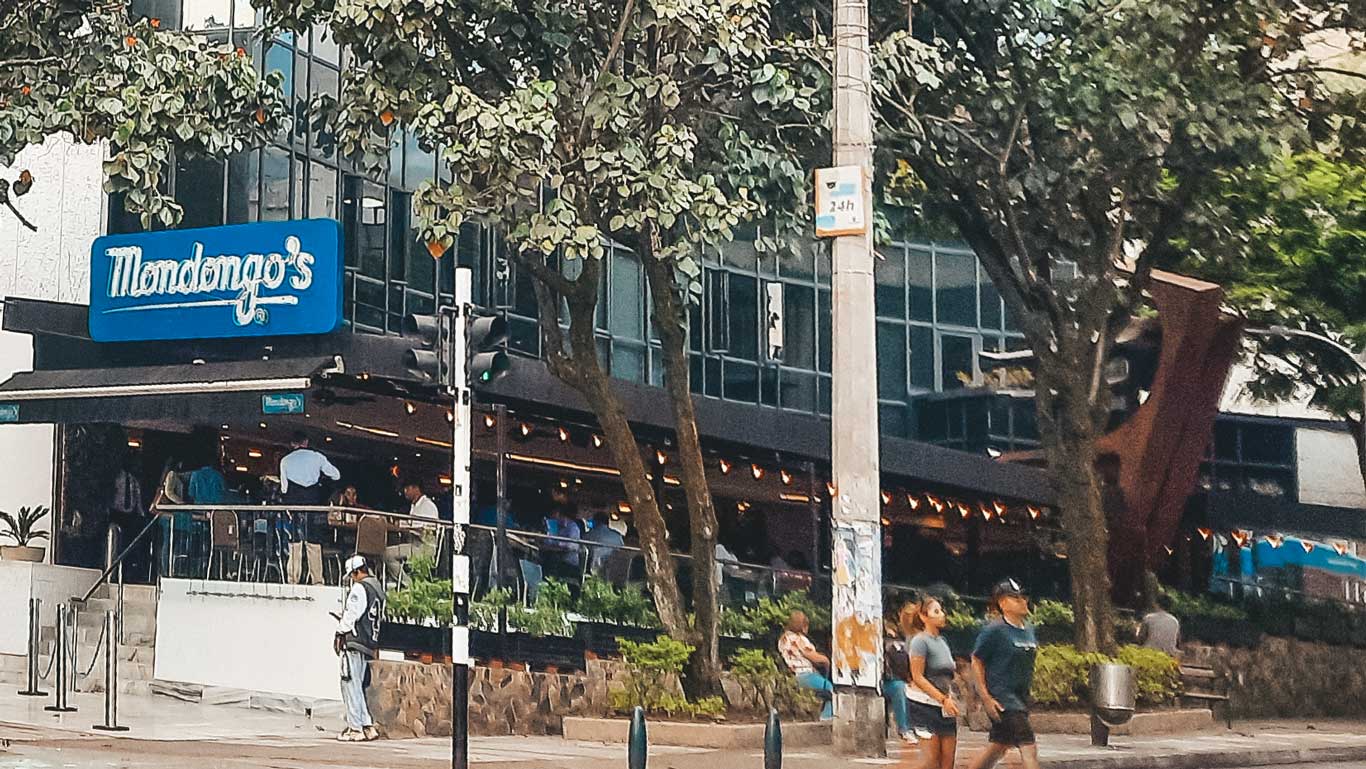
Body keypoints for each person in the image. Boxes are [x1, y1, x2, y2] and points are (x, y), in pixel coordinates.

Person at [966, 578, 1040, 769]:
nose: (1023, 601)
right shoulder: (995, 631)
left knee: (999, 746)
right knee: (1028, 746)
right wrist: (985, 696)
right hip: (1003, 699)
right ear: (1003, 603)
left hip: (1021, 696)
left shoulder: (1029, 629)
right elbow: (977, 660)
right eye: (1016, 598)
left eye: (1023, 597)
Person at [335, 555, 385, 742]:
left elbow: (352, 614)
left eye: (352, 575)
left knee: (349, 683)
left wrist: (340, 632)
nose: (352, 579)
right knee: (357, 683)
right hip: (369, 642)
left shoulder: (360, 588)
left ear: (357, 571)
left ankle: (354, 727)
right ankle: (367, 725)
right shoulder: (378, 588)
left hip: (355, 641)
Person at [907, 596, 961, 769]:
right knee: (930, 760)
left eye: (941, 611)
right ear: (924, 617)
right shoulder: (920, 641)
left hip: (945, 706)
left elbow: (949, 673)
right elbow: (918, 676)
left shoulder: (942, 642)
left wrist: (950, 698)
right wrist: (941, 699)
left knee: (947, 761)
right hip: (923, 705)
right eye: (936, 612)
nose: (941, 615)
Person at [280, 432, 340, 584]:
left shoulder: (285, 461)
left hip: (294, 506)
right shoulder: (317, 457)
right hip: (314, 504)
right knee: (314, 545)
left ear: (292, 443)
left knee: (295, 546)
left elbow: (284, 489)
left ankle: (293, 581)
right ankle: (317, 581)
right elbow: (336, 475)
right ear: (306, 442)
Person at [778, 610, 833, 720]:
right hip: (805, 674)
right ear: (803, 626)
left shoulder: (783, 639)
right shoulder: (799, 639)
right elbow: (812, 656)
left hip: (792, 675)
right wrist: (826, 660)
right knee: (831, 689)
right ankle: (826, 718)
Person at [385, 481, 439, 582]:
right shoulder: (414, 506)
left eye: (407, 489)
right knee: (385, 552)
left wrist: (405, 528)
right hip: (413, 545)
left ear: (416, 488)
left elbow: (429, 530)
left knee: (387, 554)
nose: (405, 492)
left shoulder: (428, 506)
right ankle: (401, 583)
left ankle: (408, 584)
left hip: (424, 547)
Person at [883, 617, 916, 743]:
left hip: (897, 679)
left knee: (903, 687)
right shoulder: (886, 643)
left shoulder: (902, 643)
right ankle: (904, 728)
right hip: (886, 682)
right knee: (899, 688)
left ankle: (911, 727)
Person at [540, 504, 582, 582]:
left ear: (560, 514)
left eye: (555, 514)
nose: (553, 516)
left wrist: (557, 544)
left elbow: (571, 546)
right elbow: (548, 540)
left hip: (569, 564)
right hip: (557, 560)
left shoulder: (573, 527)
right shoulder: (555, 526)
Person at [1139, 592, 1182, 657]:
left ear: (1156, 604)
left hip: (1149, 653)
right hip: (1169, 655)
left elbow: (1141, 637)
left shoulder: (1148, 618)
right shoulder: (1175, 621)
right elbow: (1177, 640)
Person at [583, 512, 624, 576]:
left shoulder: (589, 535)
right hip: (616, 571)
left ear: (595, 522)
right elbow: (622, 550)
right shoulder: (618, 536)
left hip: (594, 570)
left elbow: (583, 551)